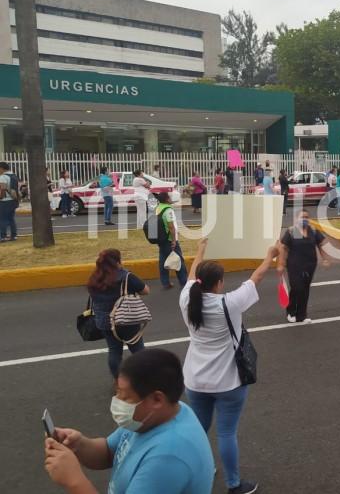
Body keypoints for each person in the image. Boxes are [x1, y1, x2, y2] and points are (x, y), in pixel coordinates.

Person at [43, 349, 214, 494]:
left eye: (125, 397)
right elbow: (110, 452)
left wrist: (74, 482)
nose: (117, 401)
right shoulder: (159, 415)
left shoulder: (168, 457)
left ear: (157, 399)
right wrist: (79, 445)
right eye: (117, 393)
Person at [180, 239, 277, 494]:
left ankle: (199, 467)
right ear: (219, 283)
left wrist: (200, 251)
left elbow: (191, 276)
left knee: (199, 429)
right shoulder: (229, 303)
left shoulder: (187, 300)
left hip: (194, 380)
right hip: (228, 382)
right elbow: (256, 278)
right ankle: (234, 485)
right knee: (226, 433)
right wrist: (270, 256)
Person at [87, 249, 150, 378]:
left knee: (114, 351)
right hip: (126, 319)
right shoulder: (125, 276)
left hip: (104, 322)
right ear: (117, 261)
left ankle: (119, 381)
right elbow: (145, 290)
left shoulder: (94, 278)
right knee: (138, 350)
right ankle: (145, 377)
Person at [277, 210, 330, 323]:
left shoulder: (314, 231)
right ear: (296, 219)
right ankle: (290, 312)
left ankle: (302, 315)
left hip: (310, 265)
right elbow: (283, 248)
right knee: (297, 288)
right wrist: (281, 264)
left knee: (305, 289)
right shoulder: (291, 231)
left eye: (306, 217)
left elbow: (321, 245)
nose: (305, 219)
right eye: (302, 217)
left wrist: (325, 259)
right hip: (294, 265)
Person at [155, 191, 188, 289]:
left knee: (163, 261)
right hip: (169, 239)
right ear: (166, 199)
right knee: (178, 260)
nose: (170, 198)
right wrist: (174, 240)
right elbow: (171, 226)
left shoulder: (158, 208)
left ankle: (165, 282)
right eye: (169, 197)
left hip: (161, 239)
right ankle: (184, 282)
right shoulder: (168, 210)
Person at [0, 161, 19, 242]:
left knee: (3, 219)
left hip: (5, 200)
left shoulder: (3, 177)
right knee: (11, 218)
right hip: (13, 200)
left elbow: (3, 188)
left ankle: (2, 236)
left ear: (1, 168)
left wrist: (0, 197)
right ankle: (14, 235)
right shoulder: (14, 176)